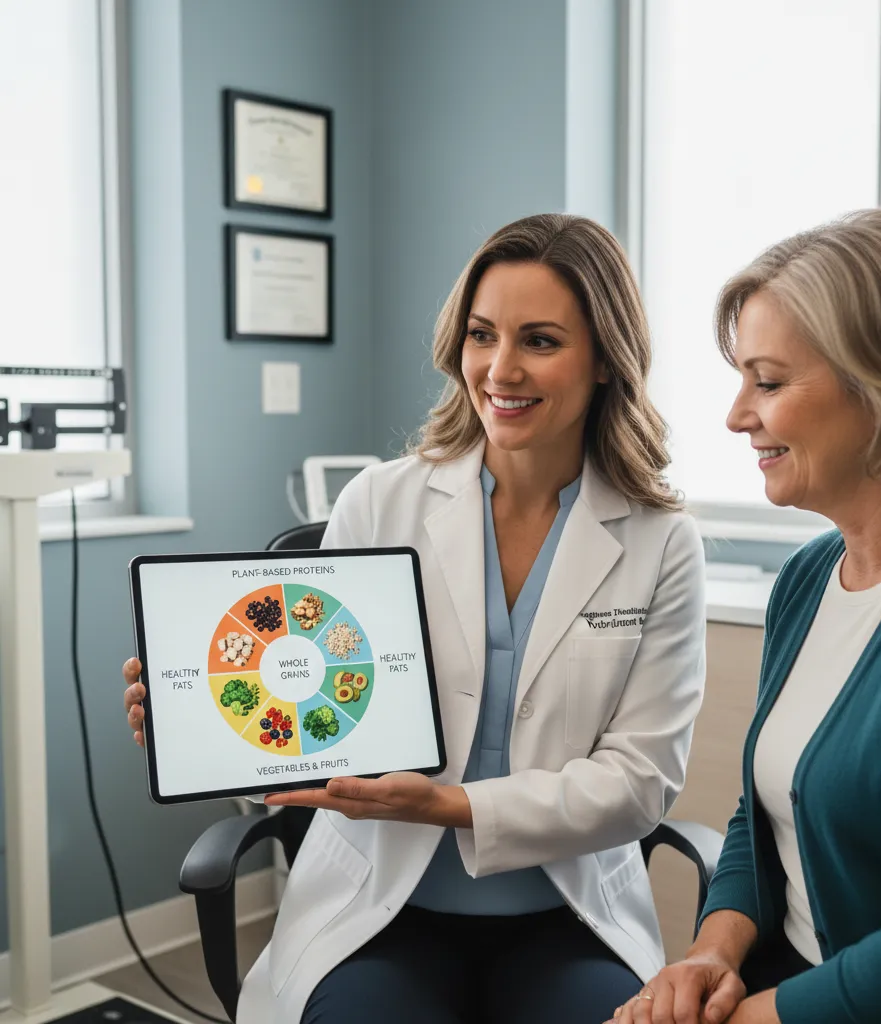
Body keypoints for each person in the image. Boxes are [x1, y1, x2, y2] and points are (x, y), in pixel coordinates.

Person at [123, 214, 707, 1023]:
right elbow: (318, 724)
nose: (500, 369)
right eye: (481, 334)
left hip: (566, 918)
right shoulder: (382, 501)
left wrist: (452, 807)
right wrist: (206, 730)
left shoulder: (661, 540)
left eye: (539, 340)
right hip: (382, 912)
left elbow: (640, 784)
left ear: (606, 358)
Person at [610, 208, 881, 1024]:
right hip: (784, 981)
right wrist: (709, 955)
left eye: (767, 382)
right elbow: (761, 814)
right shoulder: (808, 576)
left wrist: (744, 1019)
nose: (736, 415)